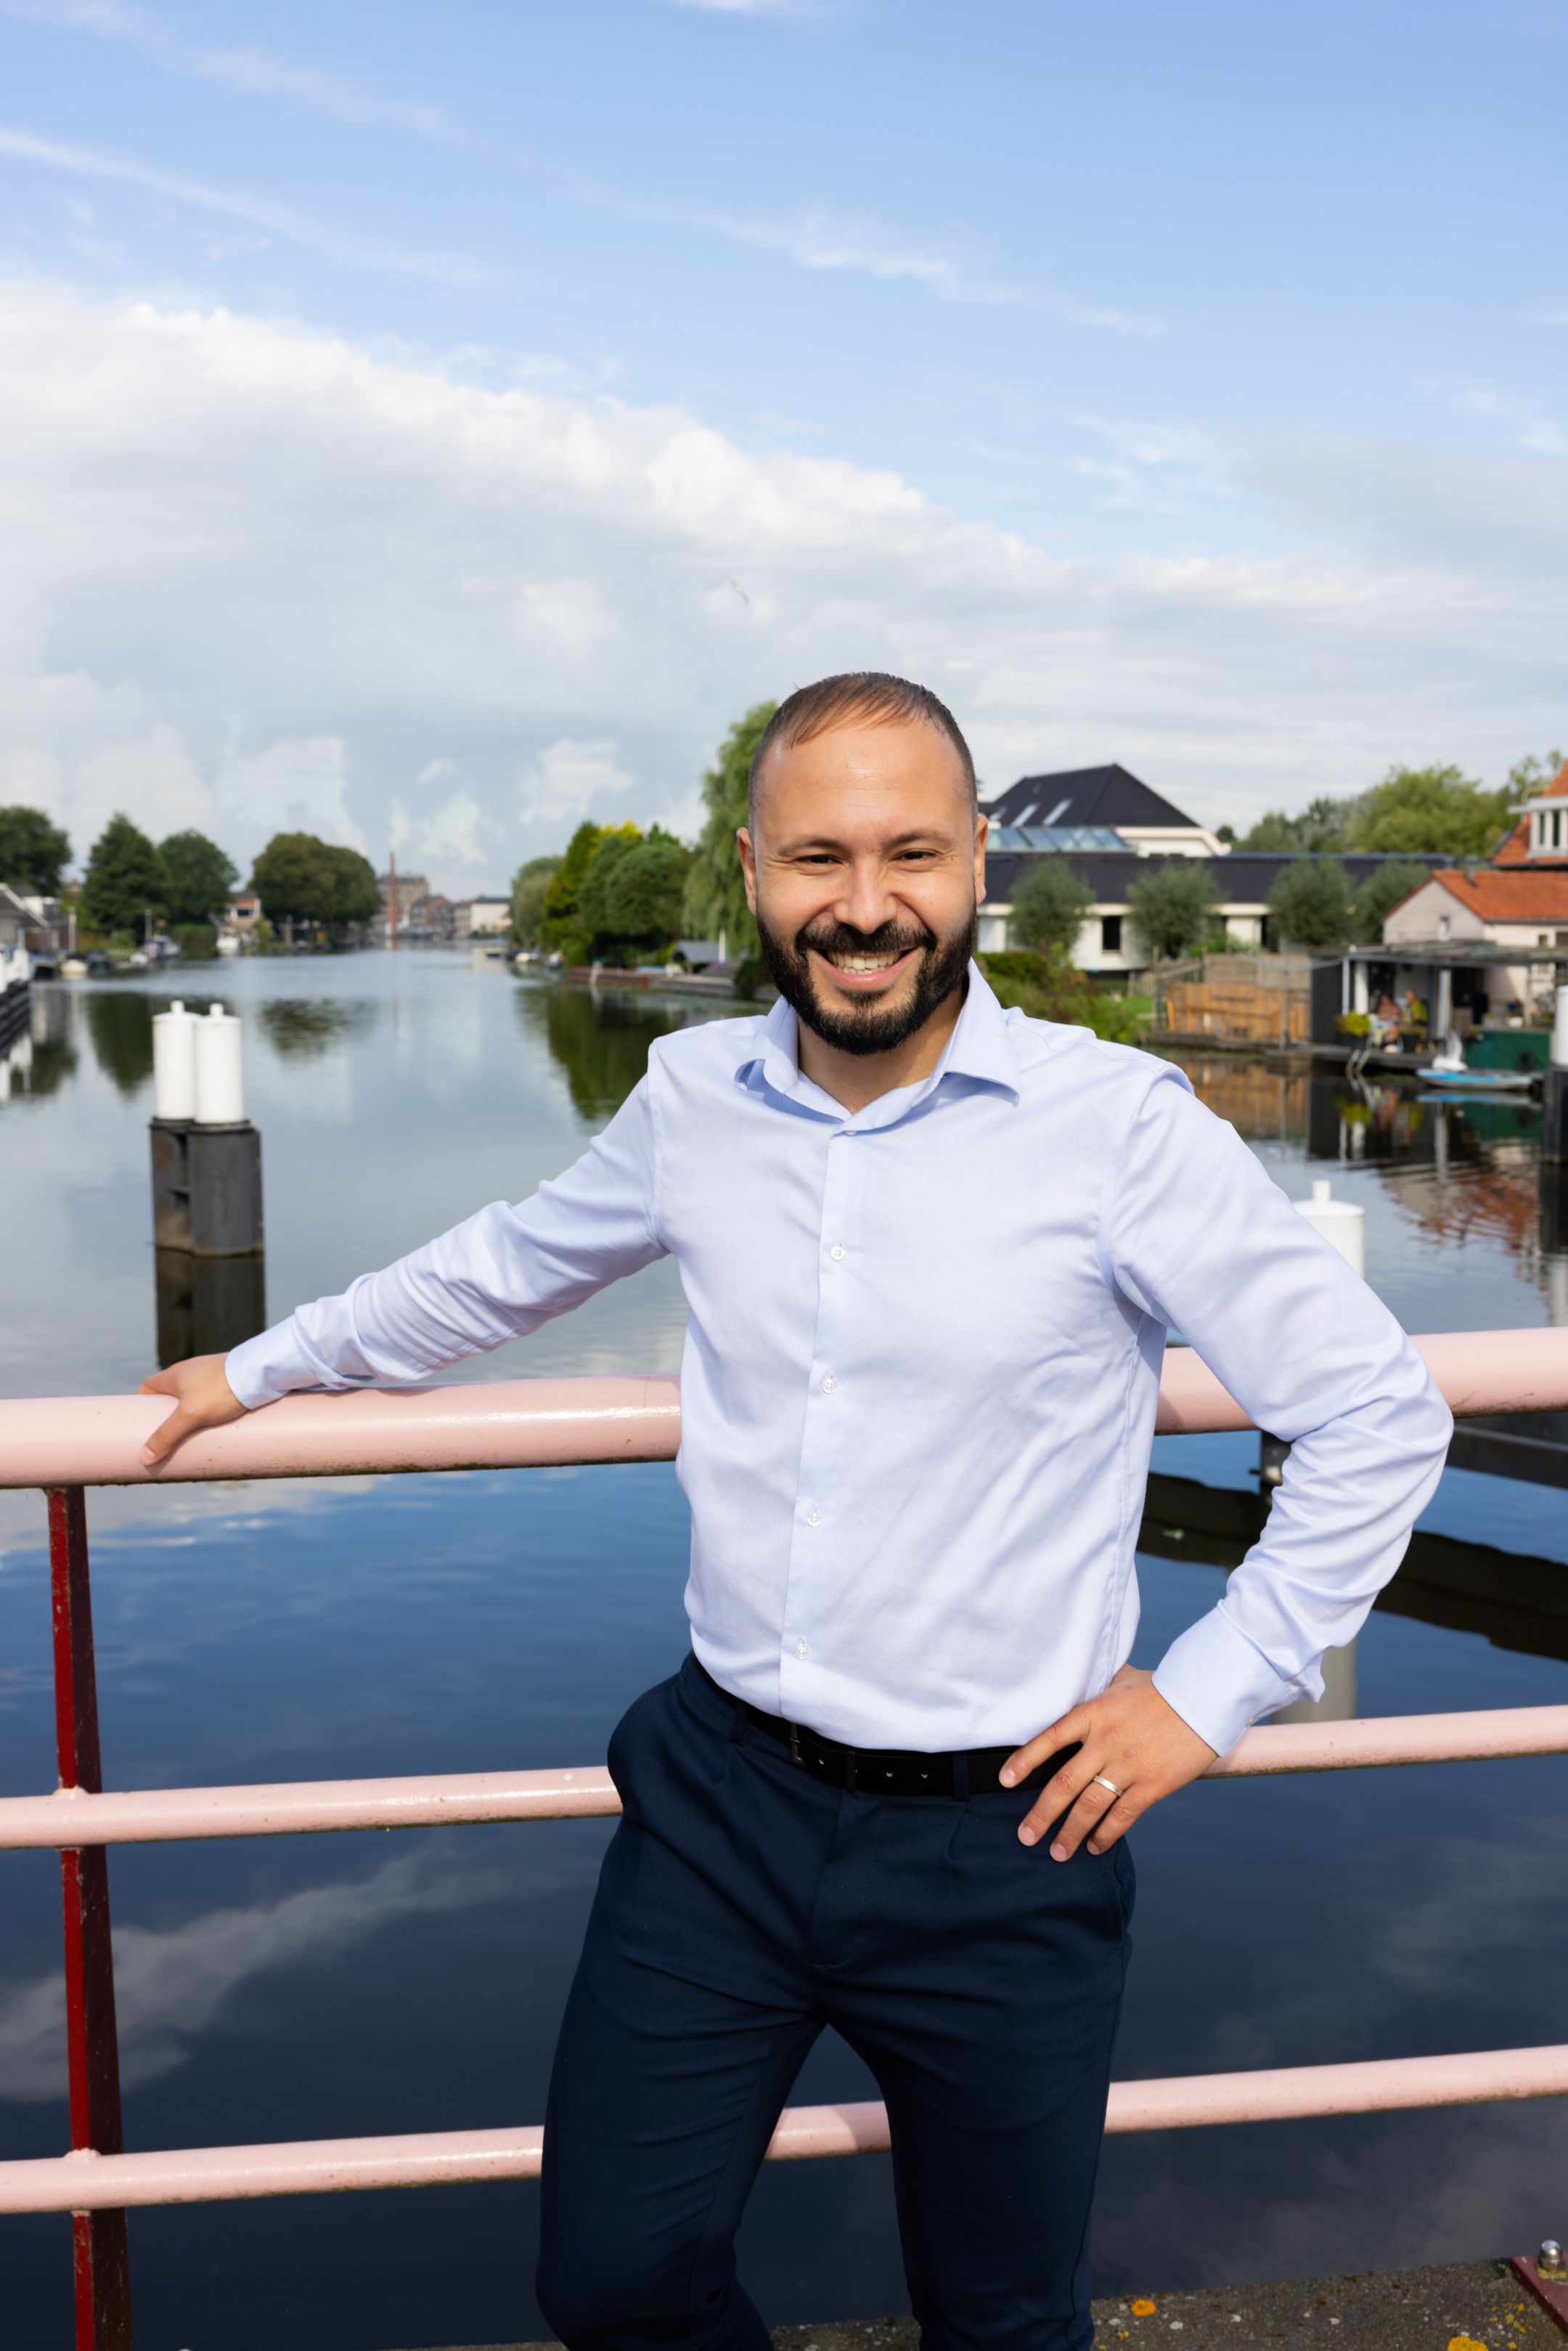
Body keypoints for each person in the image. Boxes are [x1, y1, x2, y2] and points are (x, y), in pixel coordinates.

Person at [139, 674, 1452, 2350]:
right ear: (755, 869)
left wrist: (1207, 1692)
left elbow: (1374, 1410)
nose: (866, 905)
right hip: (720, 1808)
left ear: (976, 864)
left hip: (1008, 1836)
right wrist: (255, 1366)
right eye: (820, 856)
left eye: (912, 853)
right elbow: (501, 1268)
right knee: (613, 2276)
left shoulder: (1117, 1127)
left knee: (999, 2318)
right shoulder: (693, 1097)